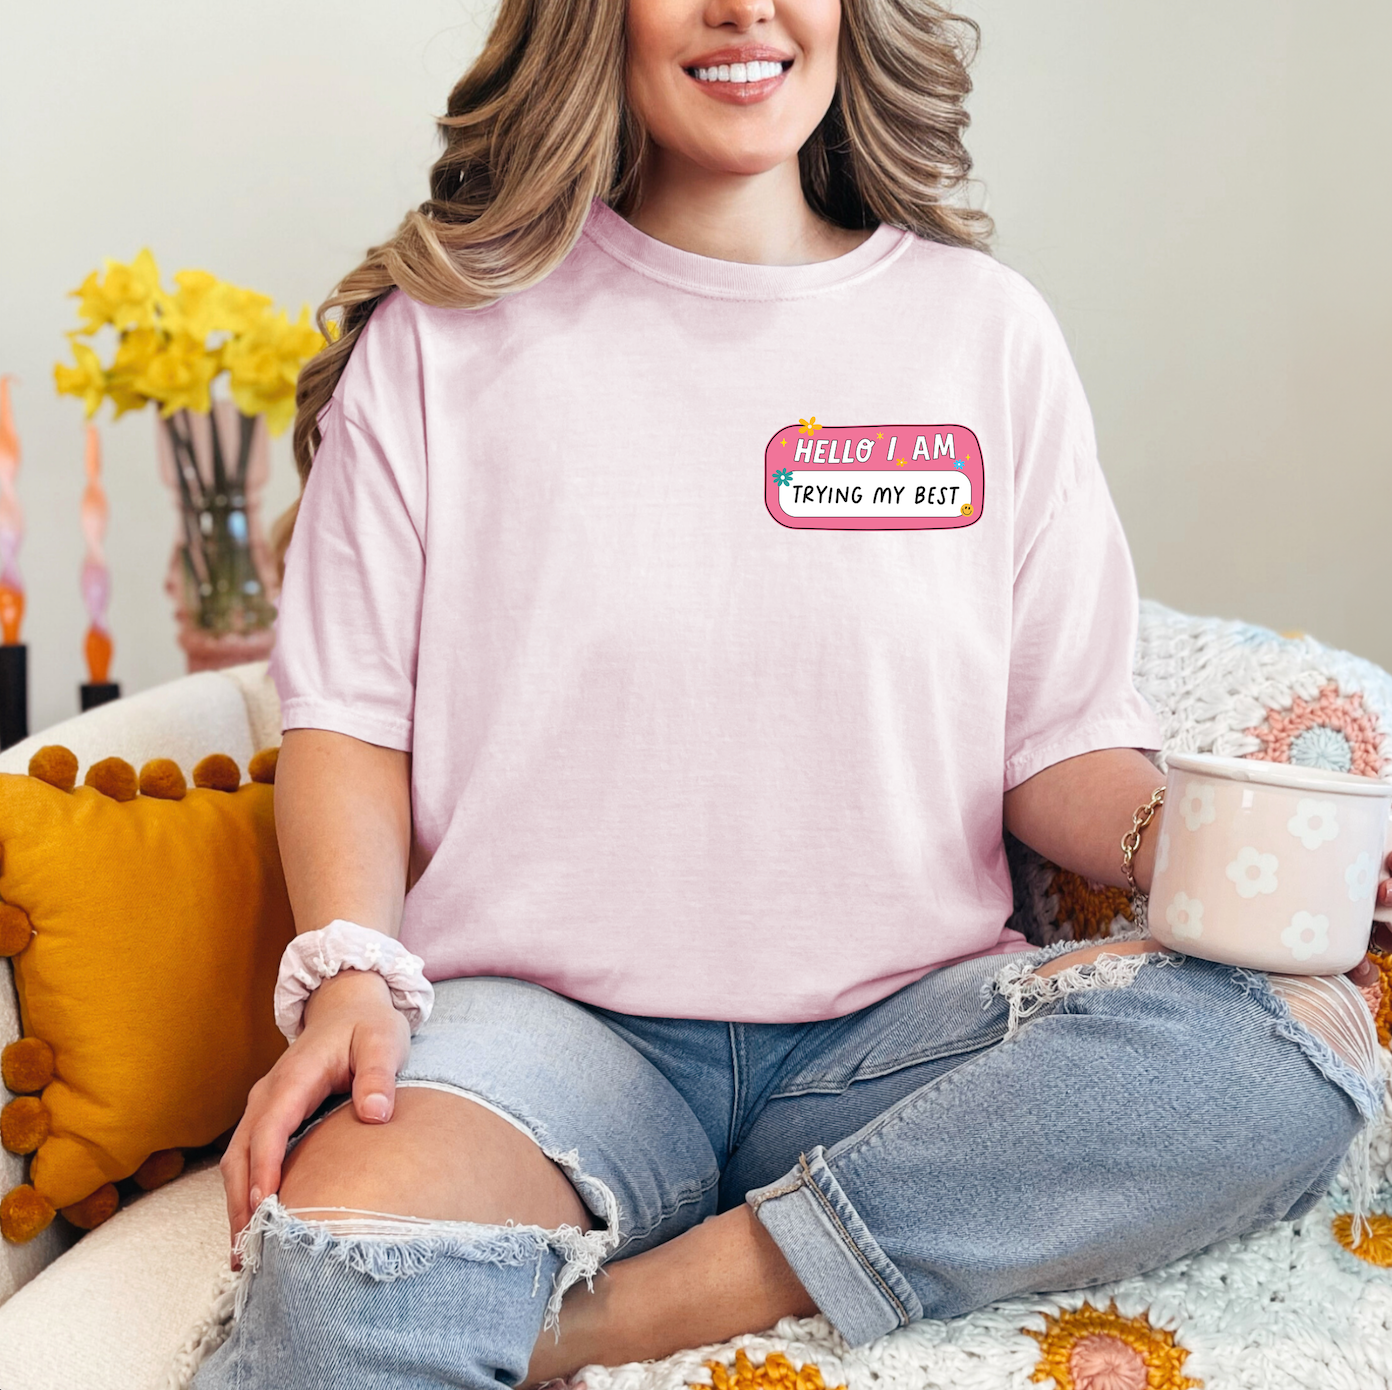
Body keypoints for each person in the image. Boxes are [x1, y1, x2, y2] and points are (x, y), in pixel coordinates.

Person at [196, 2, 1390, 1386]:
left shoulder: (984, 333)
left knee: (1295, 1044)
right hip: (544, 1032)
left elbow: (1060, 748)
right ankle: (752, 1257)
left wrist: (1232, 854)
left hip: (900, 1037)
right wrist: (351, 967)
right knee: (337, 1284)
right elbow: (349, 717)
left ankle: (617, 1315)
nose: (745, 11)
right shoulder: (439, 338)